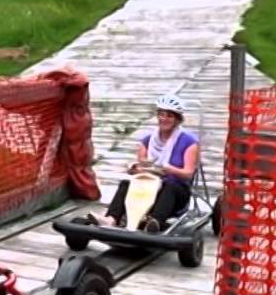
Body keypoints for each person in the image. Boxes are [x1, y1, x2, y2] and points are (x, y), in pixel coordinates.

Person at [78, 94, 199, 232]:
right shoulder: (147, 141)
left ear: (178, 120)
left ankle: (154, 222)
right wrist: (135, 168)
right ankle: (111, 219)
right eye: (161, 114)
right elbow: (141, 168)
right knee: (126, 184)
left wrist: (169, 170)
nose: (164, 119)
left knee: (169, 186)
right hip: (149, 188)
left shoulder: (189, 142)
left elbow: (188, 174)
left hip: (175, 193)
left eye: (169, 116)